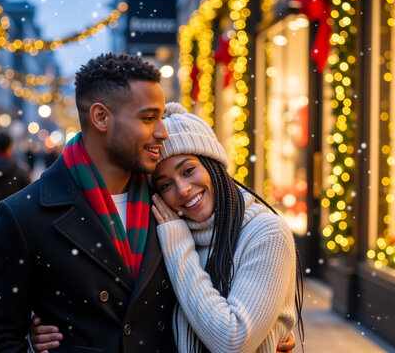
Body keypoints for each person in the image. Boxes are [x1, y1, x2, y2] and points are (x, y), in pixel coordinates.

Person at [30, 103, 303, 352]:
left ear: (213, 164)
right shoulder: (166, 230)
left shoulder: (265, 232)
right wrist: (49, 328)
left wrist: (179, 246)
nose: (183, 190)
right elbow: (127, 309)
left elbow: (231, 341)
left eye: (188, 170)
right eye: (165, 185)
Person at [0, 53, 177, 352]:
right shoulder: (23, 215)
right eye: (148, 118)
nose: (163, 132)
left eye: (162, 117)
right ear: (101, 117)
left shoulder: (171, 197)